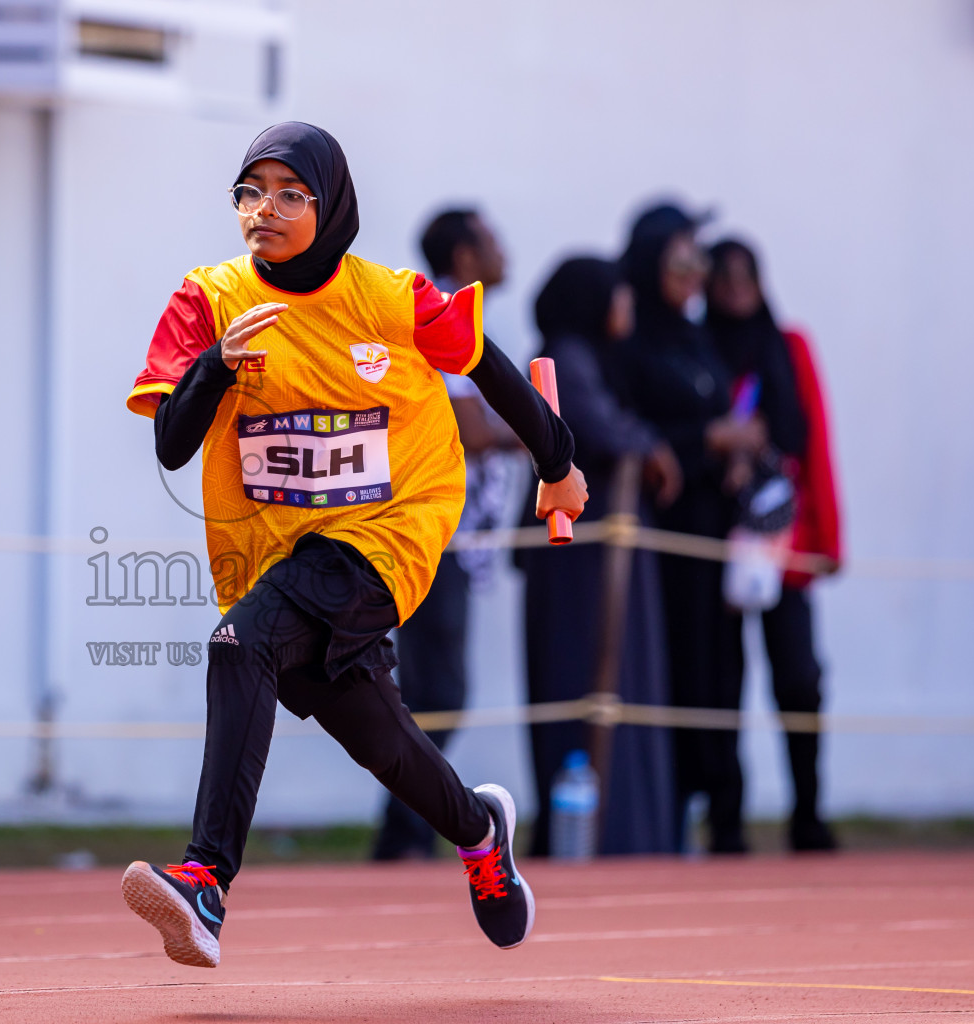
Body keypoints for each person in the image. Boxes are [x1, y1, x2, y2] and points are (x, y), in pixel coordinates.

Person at [121, 122, 586, 967]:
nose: (265, 210)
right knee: (381, 739)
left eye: (289, 193)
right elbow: (171, 444)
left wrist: (558, 463)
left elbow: (488, 366)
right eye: (249, 193)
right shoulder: (207, 298)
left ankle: (204, 882)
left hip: (389, 531)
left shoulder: (390, 297)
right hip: (276, 555)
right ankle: (480, 831)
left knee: (237, 646)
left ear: (330, 204)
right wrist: (216, 368)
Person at [515, 256, 679, 856]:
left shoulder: (592, 360)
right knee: (586, 680)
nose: (627, 308)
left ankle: (629, 831)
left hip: (600, 556)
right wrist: (650, 445)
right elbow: (588, 425)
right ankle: (602, 834)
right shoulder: (562, 359)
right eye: (618, 296)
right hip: (578, 561)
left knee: (618, 684)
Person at [616, 202, 766, 854]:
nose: (695, 273)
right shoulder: (635, 341)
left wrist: (736, 450)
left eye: (699, 260)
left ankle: (727, 823)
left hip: (716, 533)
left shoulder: (696, 335)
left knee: (724, 671)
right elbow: (634, 428)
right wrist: (706, 437)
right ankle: (666, 824)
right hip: (663, 539)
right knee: (674, 670)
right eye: (682, 259)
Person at [371, 208, 519, 862]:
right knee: (437, 690)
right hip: (428, 532)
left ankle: (406, 832)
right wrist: (539, 433)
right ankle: (404, 834)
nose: (503, 251)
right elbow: (471, 430)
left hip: (444, 533)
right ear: (464, 256)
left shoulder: (450, 320)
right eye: (491, 240)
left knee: (435, 690)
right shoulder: (440, 322)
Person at [706, 237, 842, 852]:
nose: (735, 288)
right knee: (720, 683)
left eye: (745, 276)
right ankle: (727, 822)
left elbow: (815, 445)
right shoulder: (700, 349)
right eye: (723, 277)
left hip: (785, 541)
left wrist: (827, 542)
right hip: (716, 543)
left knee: (799, 678)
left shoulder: (790, 348)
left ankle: (808, 812)